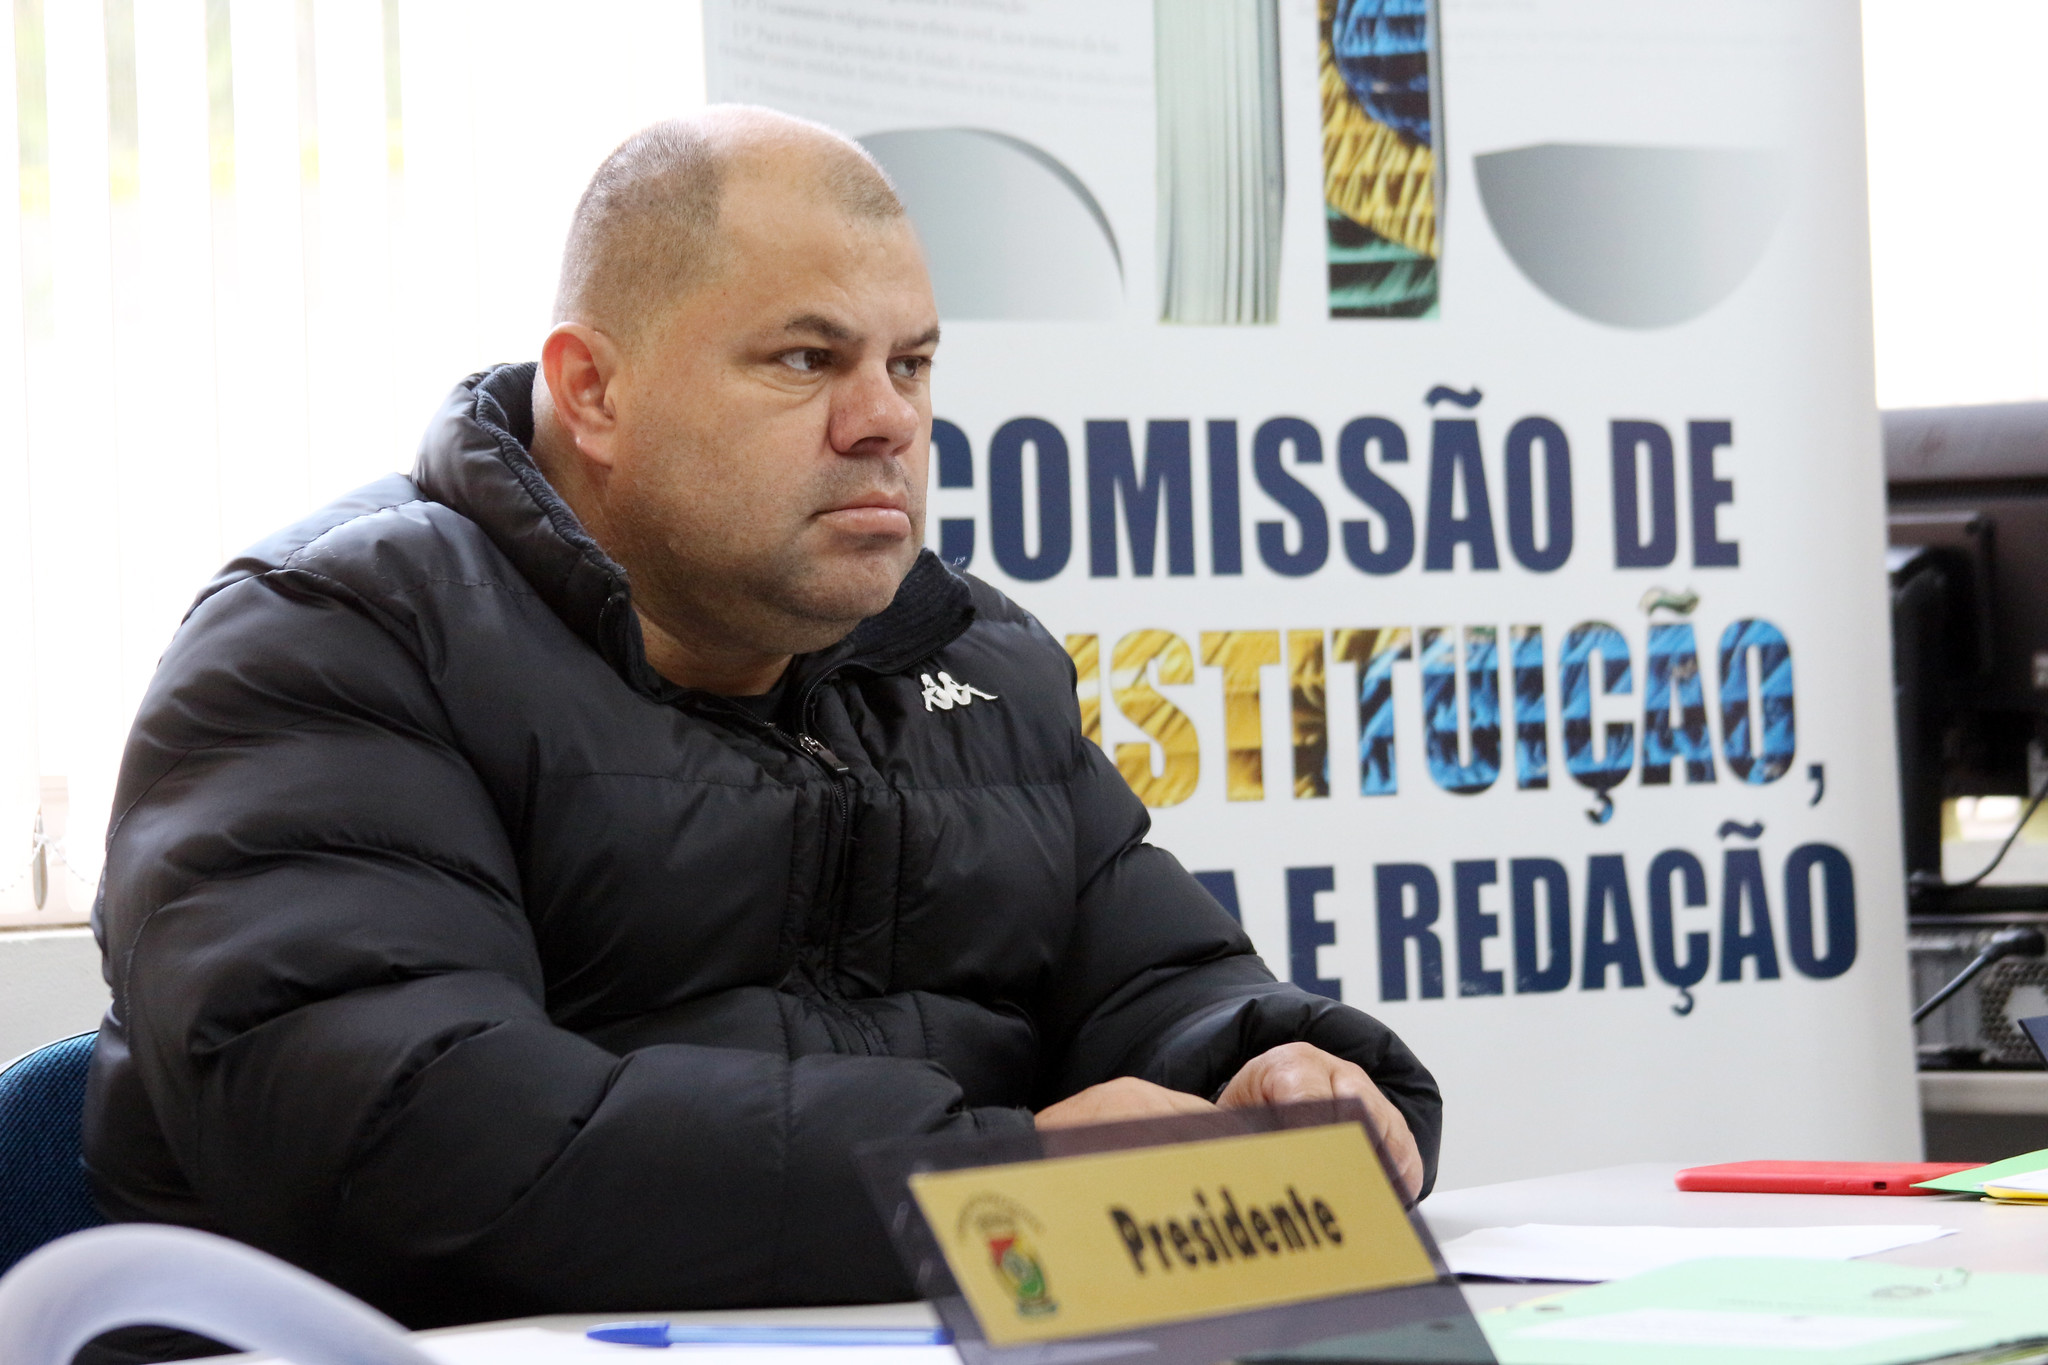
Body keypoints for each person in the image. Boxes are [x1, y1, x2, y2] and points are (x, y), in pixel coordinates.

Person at [85, 107, 1439, 1342]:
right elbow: (421, 1138)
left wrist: (1271, 1064)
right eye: (808, 358)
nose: (886, 423)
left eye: (911, 363)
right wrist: (990, 1179)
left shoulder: (974, 662)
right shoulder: (330, 645)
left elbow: (1150, 979)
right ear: (594, 389)